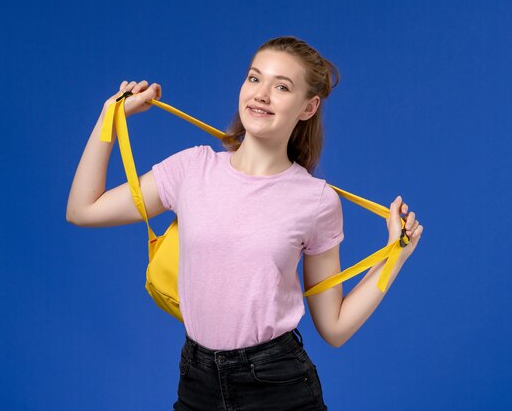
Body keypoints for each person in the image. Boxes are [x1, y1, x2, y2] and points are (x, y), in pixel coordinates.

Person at [66, 36, 423, 411]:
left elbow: (333, 328)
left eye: (282, 86)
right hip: (196, 378)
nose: (262, 94)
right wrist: (110, 116)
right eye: (254, 78)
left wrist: (395, 256)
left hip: (277, 384)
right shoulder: (192, 168)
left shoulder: (317, 201)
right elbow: (83, 209)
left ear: (308, 106)